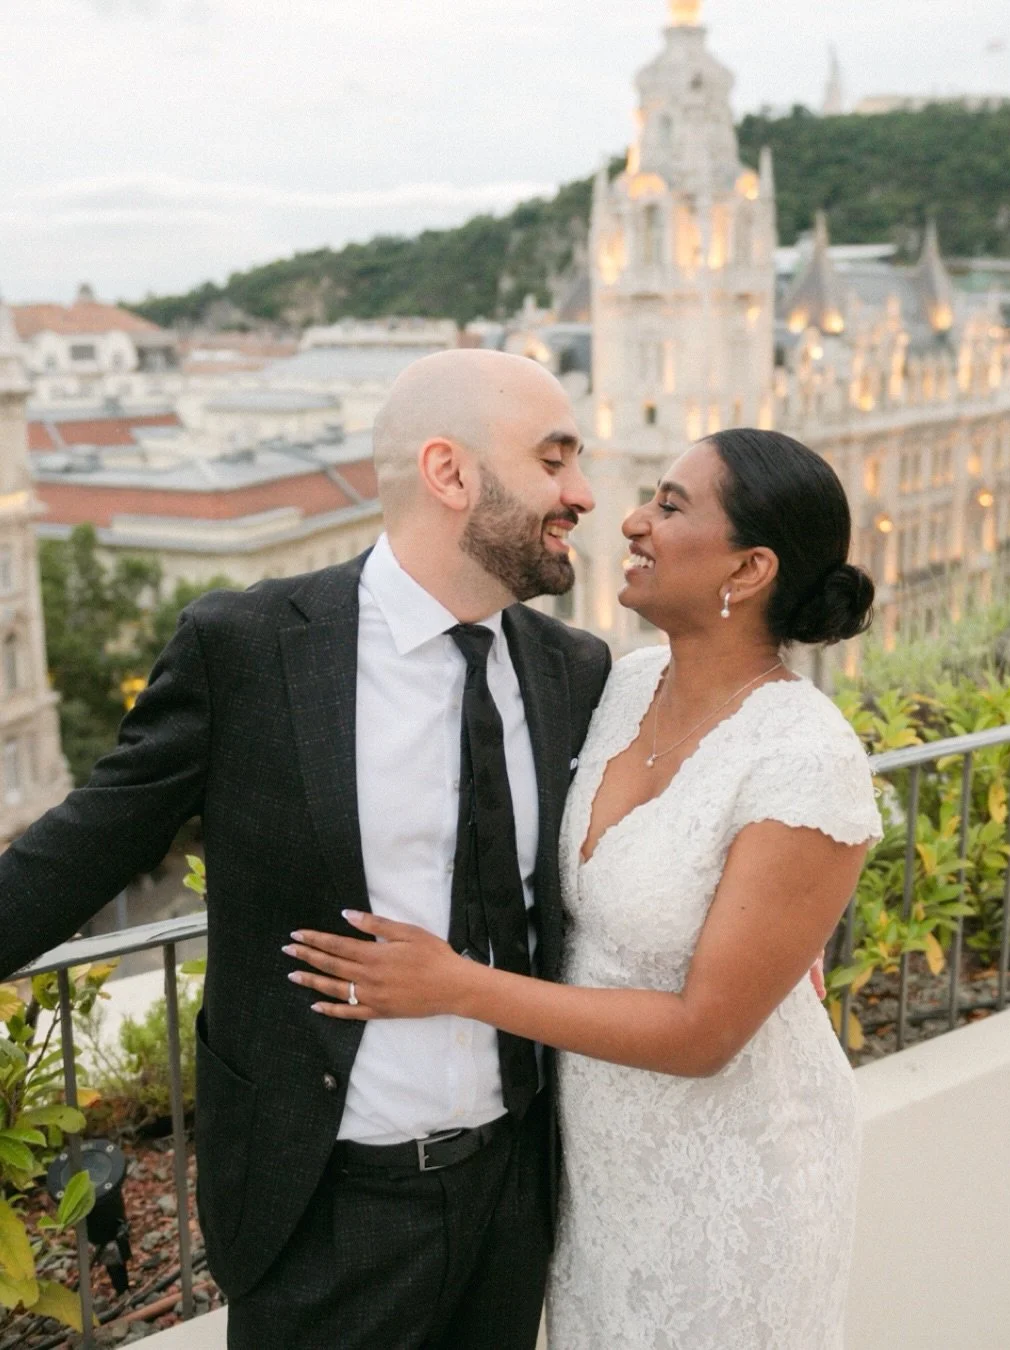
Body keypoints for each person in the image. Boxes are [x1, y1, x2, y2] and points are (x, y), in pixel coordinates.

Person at [0, 349, 610, 1350]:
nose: (581, 493)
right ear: (448, 473)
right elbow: (80, 849)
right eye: (554, 461)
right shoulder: (248, 648)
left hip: (513, 1194)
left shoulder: (572, 667)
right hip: (322, 1203)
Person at [286, 427, 884, 1349]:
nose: (633, 520)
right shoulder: (623, 683)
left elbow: (704, 1035)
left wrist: (453, 985)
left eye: (672, 506)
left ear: (751, 566)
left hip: (734, 1168)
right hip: (597, 1170)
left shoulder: (805, 757)